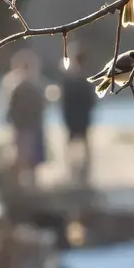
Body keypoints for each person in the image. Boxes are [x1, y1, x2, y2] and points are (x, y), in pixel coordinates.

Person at [2, 49, 47, 190]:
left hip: (31, 126)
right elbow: (11, 109)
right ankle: (18, 184)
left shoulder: (32, 85)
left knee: (31, 157)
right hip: (23, 127)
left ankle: (29, 185)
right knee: (22, 156)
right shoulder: (18, 86)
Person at [59, 44, 96, 185]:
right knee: (84, 141)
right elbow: (91, 100)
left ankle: (71, 167)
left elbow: (63, 100)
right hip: (82, 115)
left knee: (71, 141)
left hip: (72, 114)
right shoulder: (86, 78)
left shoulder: (69, 78)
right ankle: (84, 168)